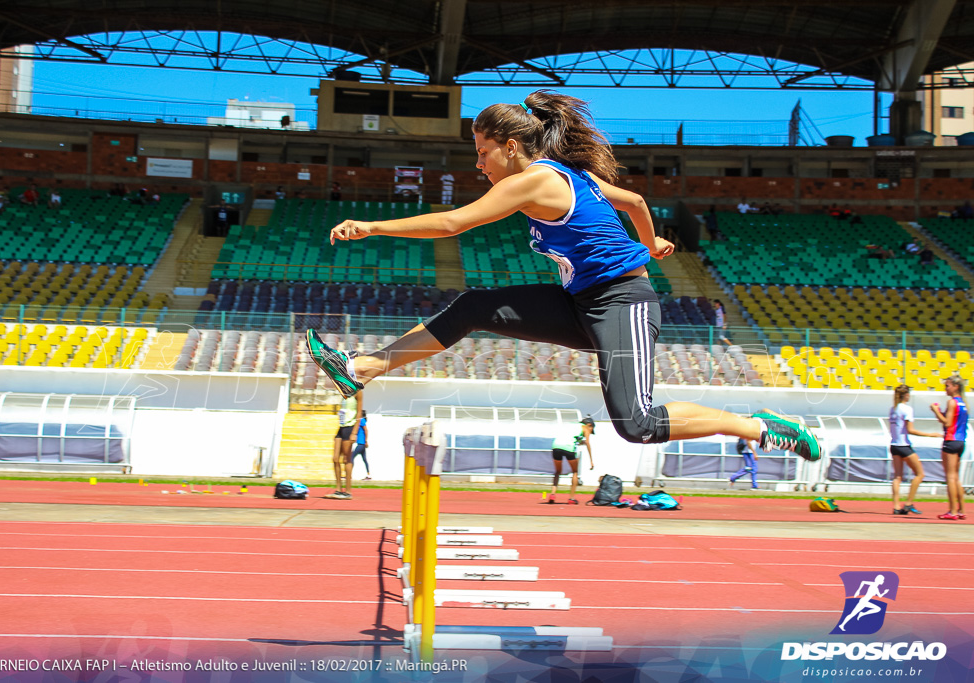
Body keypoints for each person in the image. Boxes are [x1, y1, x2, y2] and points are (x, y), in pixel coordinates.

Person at [305, 90, 822, 463]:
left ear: (510, 145)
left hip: (624, 303)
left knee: (636, 425)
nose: (479, 163)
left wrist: (372, 225)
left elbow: (454, 222)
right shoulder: (573, 176)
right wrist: (649, 241)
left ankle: (763, 427)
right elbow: (636, 201)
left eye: (483, 152)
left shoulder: (532, 181)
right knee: (473, 305)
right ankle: (363, 368)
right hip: (583, 303)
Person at [888, 385, 938, 515]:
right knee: (920, 474)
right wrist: (931, 434)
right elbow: (910, 430)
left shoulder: (892, 409)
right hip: (904, 446)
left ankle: (896, 506)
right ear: (906, 395)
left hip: (894, 445)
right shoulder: (907, 409)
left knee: (897, 477)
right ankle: (909, 503)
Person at [931, 376, 967, 520]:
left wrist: (935, 410)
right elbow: (952, 420)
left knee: (950, 477)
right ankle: (961, 509)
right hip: (960, 441)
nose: (946, 388)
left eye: (948, 386)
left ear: (955, 386)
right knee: (956, 478)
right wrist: (940, 412)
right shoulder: (962, 403)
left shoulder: (952, 402)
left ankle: (952, 511)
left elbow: (947, 423)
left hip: (950, 441)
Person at [548, 416, 595, 504]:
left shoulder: (571, 425)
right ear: (589, 425)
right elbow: (587, 442)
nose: (589, 432)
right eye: (591, 429)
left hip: (556, 446)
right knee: (575, 472)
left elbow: (571, 438)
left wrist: (581, 442)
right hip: (568, 448)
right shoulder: (585, 427)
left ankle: (552, 494)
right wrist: (591, 461)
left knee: (558, 471)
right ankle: (571, 498)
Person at [325, 391, 363, 500]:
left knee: (347, 459)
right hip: (341, 426)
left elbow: (359, 413)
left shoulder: (358, 391)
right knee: (335, 458)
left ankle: (348, 491)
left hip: (350, 427)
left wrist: (354, 432)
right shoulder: (343, 391)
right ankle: (338, 490)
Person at [353, 410, 371, 481]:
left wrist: (366, 441)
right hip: (361, 443)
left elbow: (366, 430)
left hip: (361, 443)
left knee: (351, 457)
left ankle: (348, 474)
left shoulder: (361, 420)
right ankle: (368, 475)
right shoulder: (360, 421)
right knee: (364, 459)